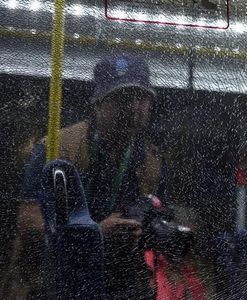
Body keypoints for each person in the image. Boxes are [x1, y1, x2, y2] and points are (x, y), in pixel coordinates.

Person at [13, 54, 164, 299]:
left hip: (122, 284)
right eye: (122, 99)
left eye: (141, 98)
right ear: (98, 104)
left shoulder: (150, 159)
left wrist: (147, 232)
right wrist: (94, 234)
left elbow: (156, 210)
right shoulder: (57, 148)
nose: (133, 108)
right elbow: (29, 223)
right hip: (58, 281)